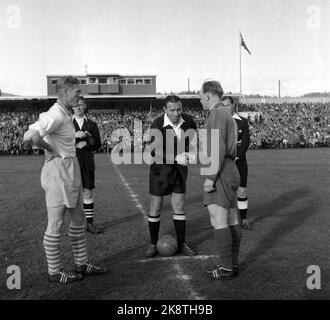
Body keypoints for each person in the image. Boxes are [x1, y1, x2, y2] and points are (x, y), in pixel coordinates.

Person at [23, 76, 106, 284]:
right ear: (66, 93)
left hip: (70, 168)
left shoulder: (64, 113)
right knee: (56, 223)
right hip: (58, 172)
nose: (80, 95)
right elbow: (29, 137)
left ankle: (81, 263)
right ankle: (54, 272)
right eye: (77, 92)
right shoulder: (55, 114)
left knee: (78, 220)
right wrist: (51, 150)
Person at [145, 95, 197, 257]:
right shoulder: (157, 124)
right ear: (165, 110)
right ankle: (153, 244)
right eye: (172, 110)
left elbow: (193, 142)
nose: (176, 113)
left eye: (179, 109)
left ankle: (182, 244)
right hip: (160, 171)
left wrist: (191, 153)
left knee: (179, 207)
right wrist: (176, 158)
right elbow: (156, 151)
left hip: (180, 170)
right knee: (155, 207)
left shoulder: (188, 121)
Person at [200, 80, 241, 280]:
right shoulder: (227, 114)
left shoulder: (216, 113)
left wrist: (210, 177)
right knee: (232, 219)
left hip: (221, 170)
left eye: (201, 96)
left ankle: (226, 268)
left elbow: (217, 147)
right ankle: (232, 264)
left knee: (219, 220)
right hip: (231, 168)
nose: (200, 100)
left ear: (208, 95)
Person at [221, 95, 252, 231]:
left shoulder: (243, 122)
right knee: (224, 192)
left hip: (240, 162)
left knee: (241, 190)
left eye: (227, 105)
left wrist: (237, 155)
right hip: (223, 162)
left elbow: (245, 142)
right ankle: (222, 220)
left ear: (233, 105)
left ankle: (243, 219)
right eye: (223, 106)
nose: (225, 108)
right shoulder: (218, 122)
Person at [72, 97, 102, 234]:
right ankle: (74, 225)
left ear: (85, 106)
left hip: (87, 162)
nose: (78, 107)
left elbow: (98, 144)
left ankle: (89, 224)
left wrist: (87, 144)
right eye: (76, 105)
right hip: (70, 164)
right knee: (71, 194)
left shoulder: (92, 124)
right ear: (72, 107)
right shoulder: (66, 124)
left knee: (87, 192)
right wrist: (74, 136)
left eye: (81, 105)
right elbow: (59, 142)